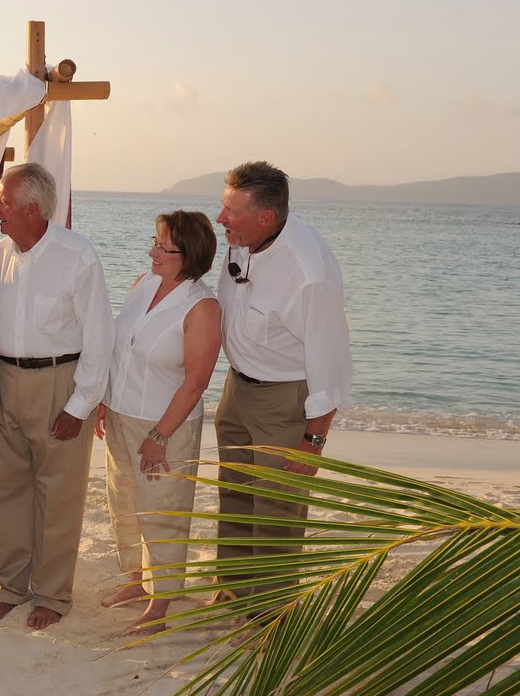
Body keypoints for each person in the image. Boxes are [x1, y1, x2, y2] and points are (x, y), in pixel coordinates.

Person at [0, 164, 113, 630]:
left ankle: (52, 595)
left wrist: (79, 406)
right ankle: (12, 586)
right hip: (5, 381)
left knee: (58, 495)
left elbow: (100, 337)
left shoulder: (78, 256)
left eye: (3, 202)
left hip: (60, 382)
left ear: (32, 209)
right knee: (8, 490)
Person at [213, 161, 351, 606]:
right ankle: (234, 593)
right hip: (237, 389)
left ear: (266, 217)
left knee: (276, 514)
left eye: (230, 211)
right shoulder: (243, 239)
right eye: (223, 206)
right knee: (234, 492)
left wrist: (313, 441)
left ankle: (270, 616)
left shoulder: (309, 274)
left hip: (284, 402)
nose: (221, 219)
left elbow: (330, 362)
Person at [96, 211, 221, 633]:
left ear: (188, 255)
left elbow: (196, 381)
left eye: (162, 247)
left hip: (165, 426)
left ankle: (161, 604)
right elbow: (120, 350)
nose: (152, 251)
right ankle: (137, 580)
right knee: (124, 502)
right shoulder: (143, 284)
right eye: (154, 242)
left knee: (162, 511)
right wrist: (102, 400)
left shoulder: (201, 307)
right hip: (119, 413)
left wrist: (159, 435)